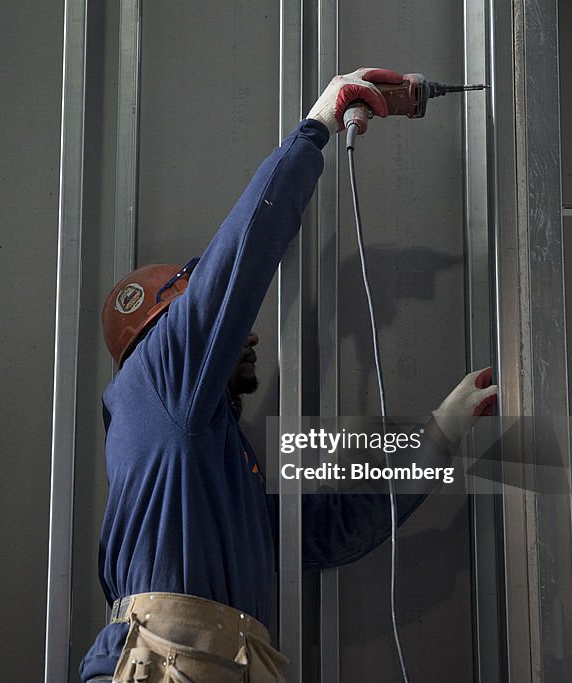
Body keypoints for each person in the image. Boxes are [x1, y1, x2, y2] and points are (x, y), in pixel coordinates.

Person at [80, 68, 499, 683]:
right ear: (169, 331)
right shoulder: (159, 373)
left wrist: (441, 433)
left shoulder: (211, 469)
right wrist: (316, 127)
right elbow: (241, 262)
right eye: (211, 322)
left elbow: (329, 534)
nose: (246, 336)